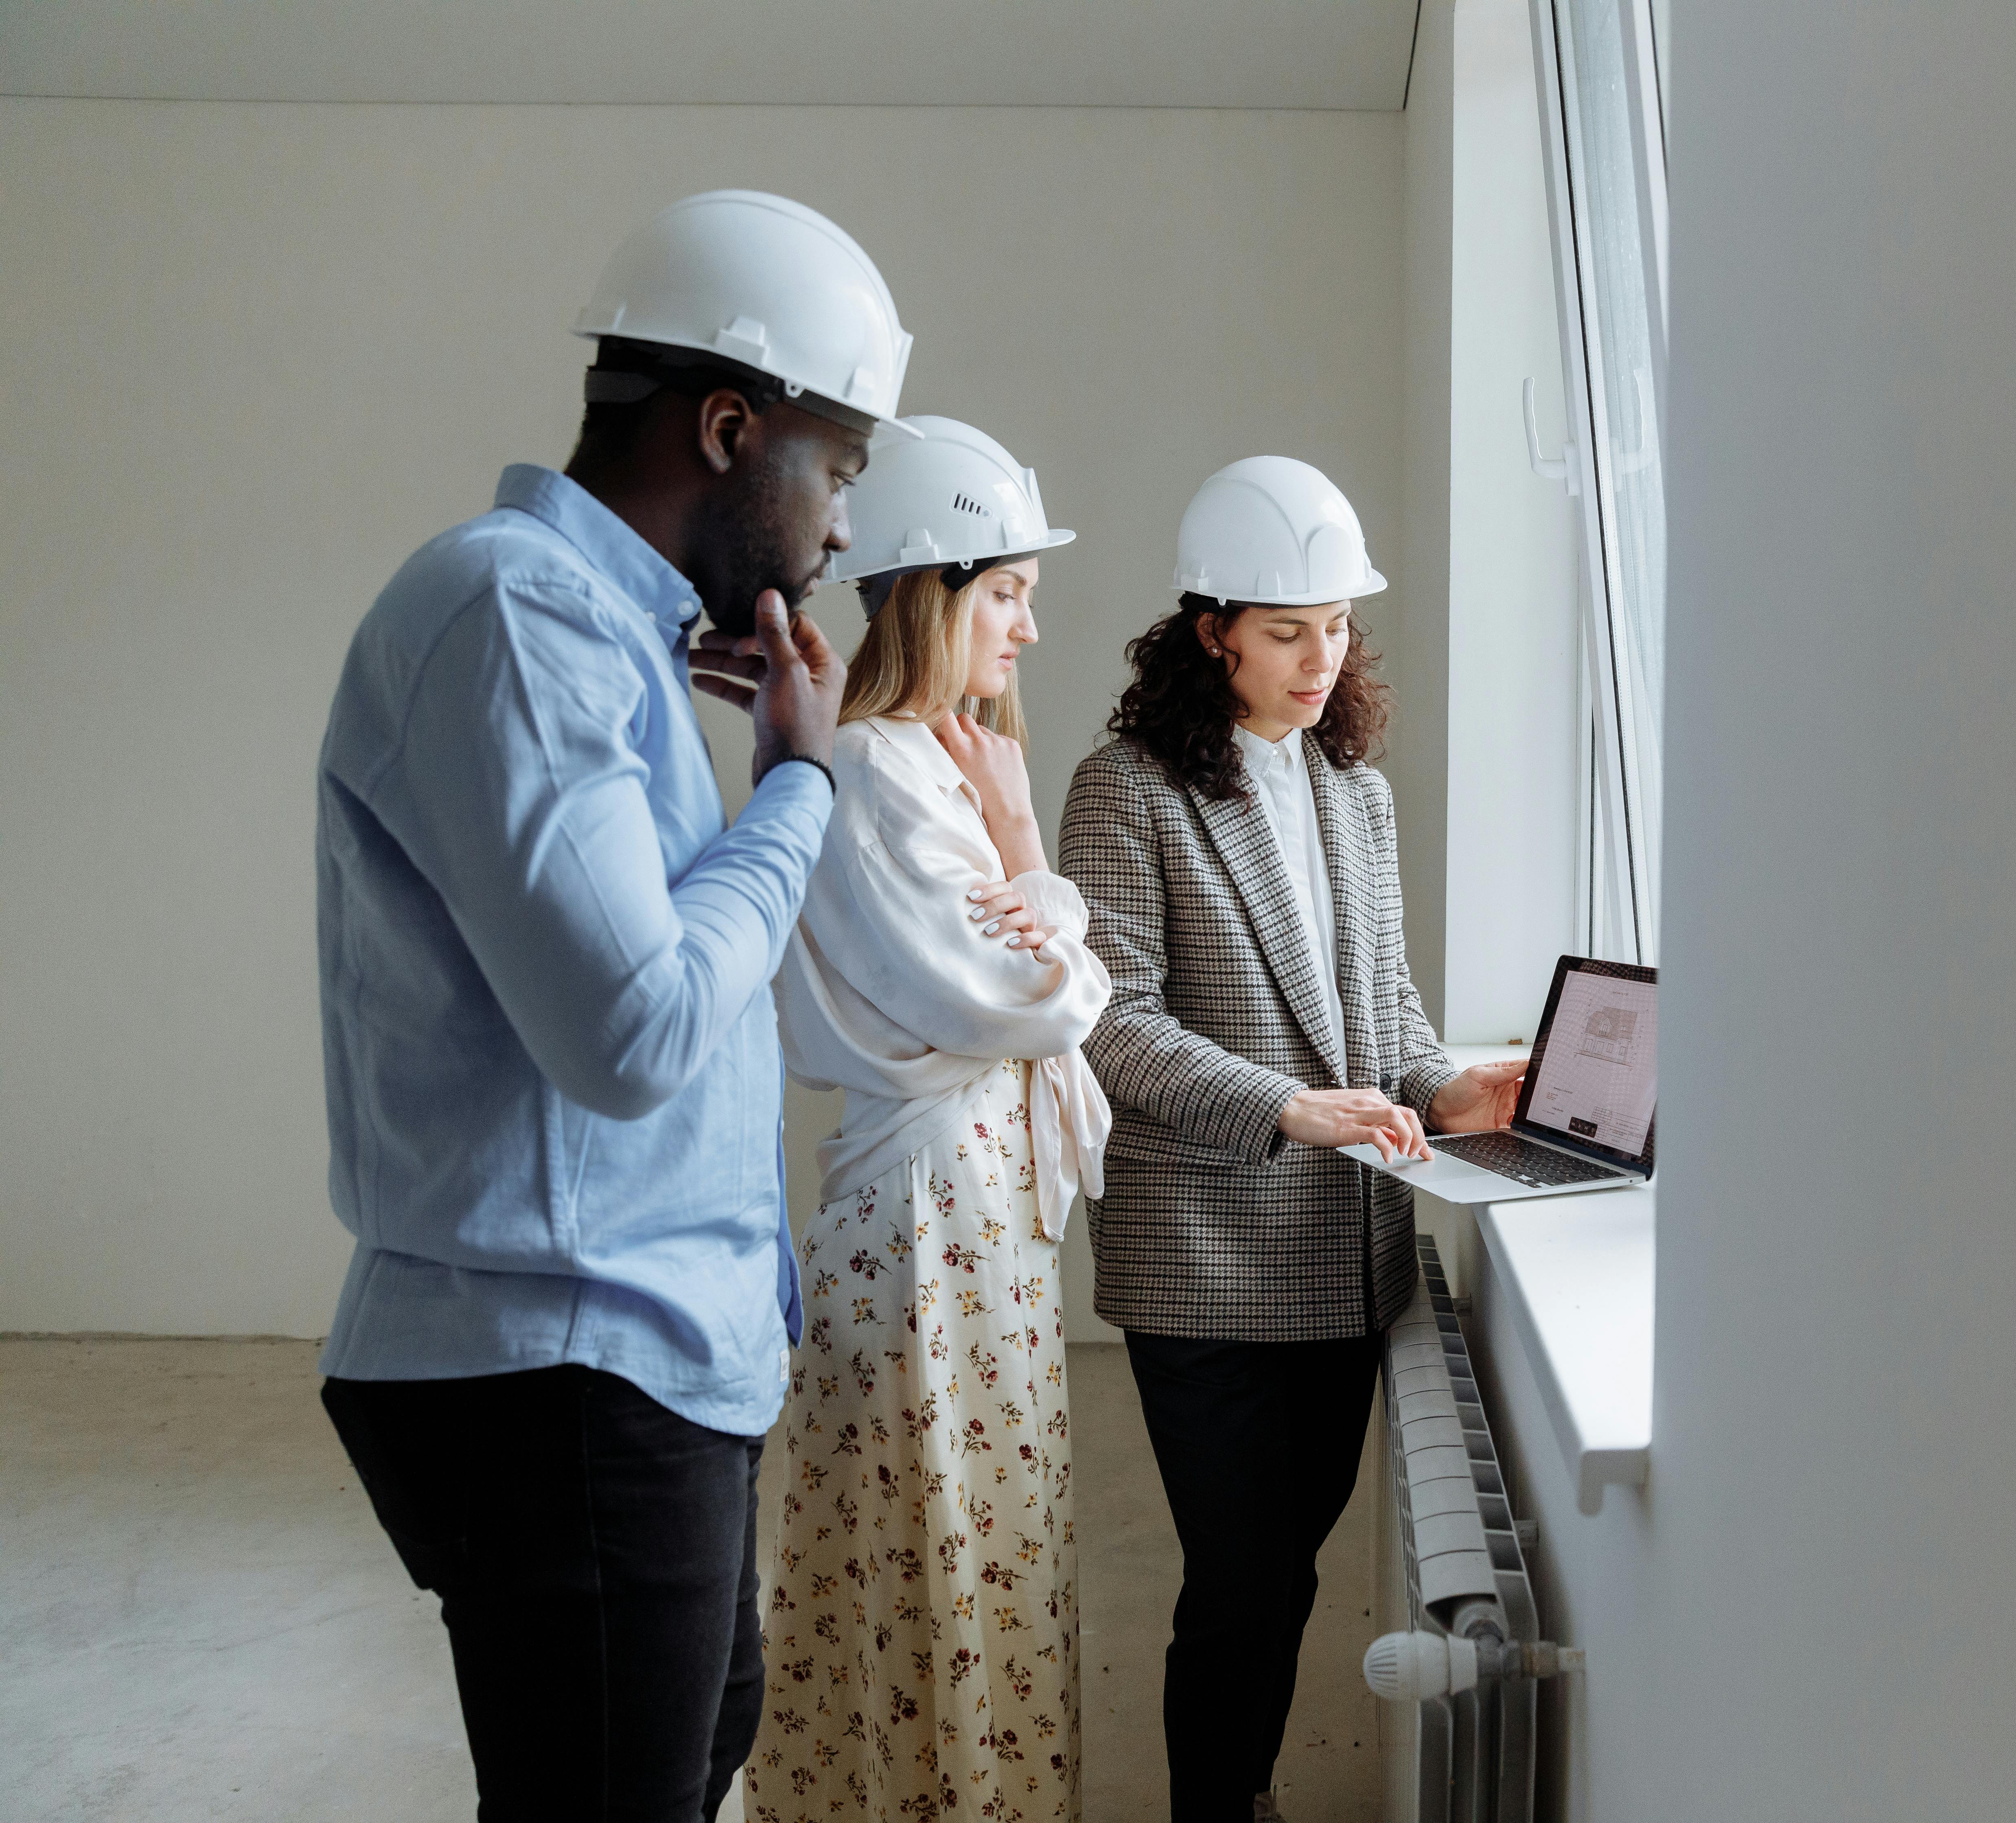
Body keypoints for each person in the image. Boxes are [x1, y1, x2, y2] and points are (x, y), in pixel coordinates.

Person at [311, 190, 910, 1823]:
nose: (844, 530)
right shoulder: (512, 612)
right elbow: (636, 1032)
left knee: (694, 1749)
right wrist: (794, 788)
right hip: (560, 1373)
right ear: (730, 428)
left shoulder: (606, 641)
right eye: (838, 469)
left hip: (634, 1362)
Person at [1058, 457, 1528, 1822]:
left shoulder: (1354, 793)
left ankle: (1243, 1791)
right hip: (1203, 1258)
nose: (1320, 658)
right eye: (1285, 631)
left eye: (1336, 627)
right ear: (1211, 632)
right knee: (1239, 1576)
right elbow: (1114, 1024)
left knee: (1288, 1571)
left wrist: (1453, 1091)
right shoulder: (1125, 788)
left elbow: (1383, 1015)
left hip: (1341, 1256)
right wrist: (1283, 1107)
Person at [753, 417, 1110, 1823]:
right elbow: (1030, 999)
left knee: (966, 1548)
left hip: (958, 1214)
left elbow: (1044, 984)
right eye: (1008, 593)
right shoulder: (887, 774)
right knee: (935, 1551)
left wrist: (1047, 909)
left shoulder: (912, 762)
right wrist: (1034, 862)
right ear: (933, 589)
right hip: (930, 1223)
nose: (1027, 626)